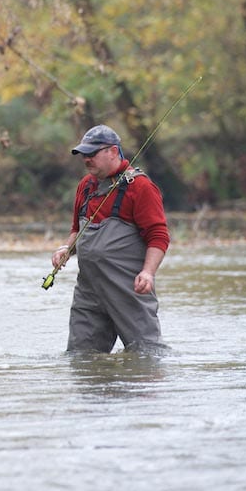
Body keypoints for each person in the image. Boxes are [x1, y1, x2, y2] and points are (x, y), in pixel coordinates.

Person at [51, 124, 170, 352]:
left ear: (113, 152)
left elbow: (159, 236)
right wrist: (65, 248)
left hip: (128, 290)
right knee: (82, 359)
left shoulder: (141, 187)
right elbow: (77, 230)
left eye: (92, 154)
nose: (87, 159)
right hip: (89, 291)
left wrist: (148, 272)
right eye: (84, 154)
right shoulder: (85, 186)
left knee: (146, 356)